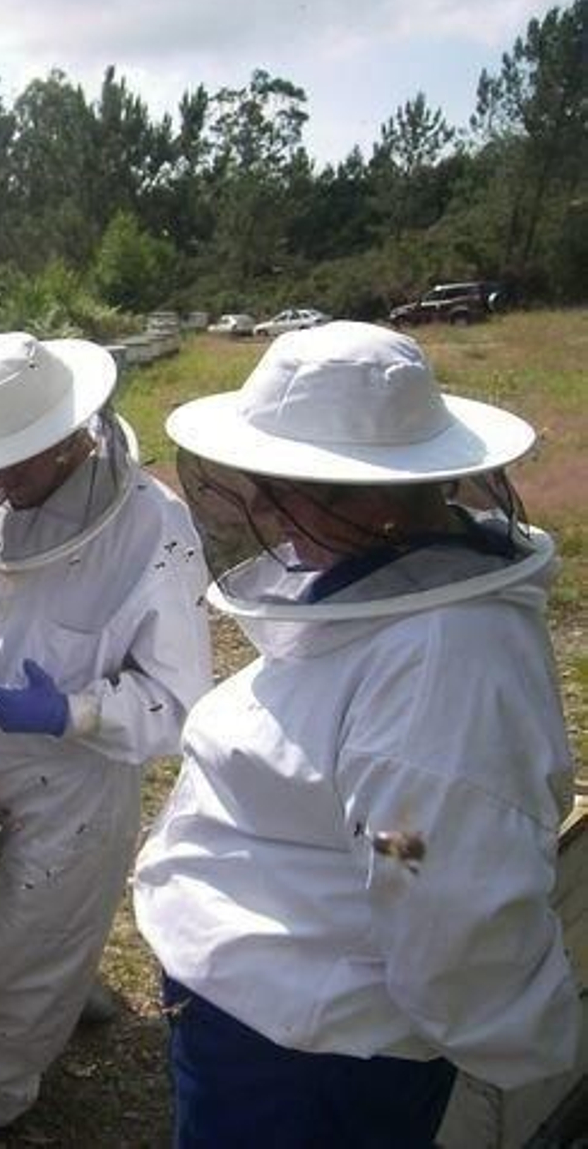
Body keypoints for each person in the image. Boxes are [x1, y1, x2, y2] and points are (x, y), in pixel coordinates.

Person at [133, 321, 579, 1147]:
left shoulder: (446, 663)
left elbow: (428, 870)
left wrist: (530, 1036)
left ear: (374, 498)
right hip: (258, 1019)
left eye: (285, 485)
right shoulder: (385, 581)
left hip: (308, 1062)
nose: (261, 506)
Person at [0, 332, 213, 1144]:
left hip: (72, 784)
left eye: (17, 461)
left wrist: (76, 712)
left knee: (27, 956)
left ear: (71, 433)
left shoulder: (152, 528)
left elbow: (180, 702)